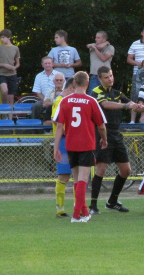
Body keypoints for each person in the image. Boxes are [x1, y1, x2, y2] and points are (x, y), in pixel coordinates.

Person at [89, 66, 144, 214]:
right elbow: (106, 105)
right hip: (102, 135)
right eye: (106, 77)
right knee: (101, 169)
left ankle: (112, 202)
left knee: (126, 170)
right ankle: (93, 206)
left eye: (111, 76)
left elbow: (134, 106)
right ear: (100, 79)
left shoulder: (117, 93)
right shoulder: (96, 92)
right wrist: (126, 105)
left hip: (116, 135)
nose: (110, 79)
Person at [53, 71, 107, 223]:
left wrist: (56, 147)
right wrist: (104, 140)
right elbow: (101, 126)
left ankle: (84, 210)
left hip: (70, 145)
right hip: (86, 144)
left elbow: (58, 126)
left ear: (74, 83)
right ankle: (77, 215)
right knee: (83, 179)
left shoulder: (65, 101)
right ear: (88, 83)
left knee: (76, 179)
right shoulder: (91, 101)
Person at [51, 77, 75, 218]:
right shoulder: (60, 101)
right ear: (71, 87)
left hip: (72, 141)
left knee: (78, 174)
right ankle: (60, 208)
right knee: (64, 175)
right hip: (64, 142)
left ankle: (78, 207)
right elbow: (57, 122)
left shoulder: (69, 101)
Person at [0, 29, 20, 118]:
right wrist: (4, 65)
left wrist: (14, 67)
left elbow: (18, 63)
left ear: (9, 38)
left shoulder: (15, 48)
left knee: (11, 99)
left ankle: (10, 120)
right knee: (4, 90)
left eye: (4, 37)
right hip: (1, 73)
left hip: (12, 74)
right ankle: (4, 108)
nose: (2, 40)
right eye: (1, 38)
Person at [31, 56, 59, 121]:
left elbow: (63, 90)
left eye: (49, 63)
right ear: (42, 65)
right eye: (45, 63)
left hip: (56, 99)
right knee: (36, 106)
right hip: (43, 99)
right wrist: (45, 100)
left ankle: (50, 127)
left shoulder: (59, 74)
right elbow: (37, 91)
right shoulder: (38, 76)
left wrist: (54, 100)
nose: (47, 65)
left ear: (52, 64)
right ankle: (34, 127)